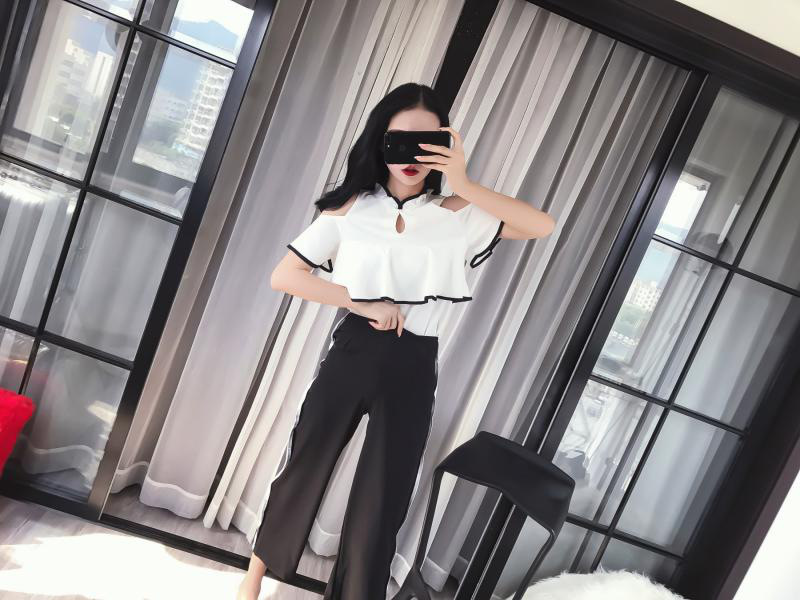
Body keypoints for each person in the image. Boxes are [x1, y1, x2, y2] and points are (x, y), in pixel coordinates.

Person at [237, 82, 555, 600]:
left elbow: (541, 225)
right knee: (305, 465)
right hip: (354, 351)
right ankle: (251, 582)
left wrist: (463, 180)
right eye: (399, 141)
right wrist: (363, 303)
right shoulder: (354, 208)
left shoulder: (458, 213)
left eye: (425, 143)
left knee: (384, 496)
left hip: (414, 363)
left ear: (444, 146)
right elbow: (285, 275)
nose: (411, 157)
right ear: (379, 140)